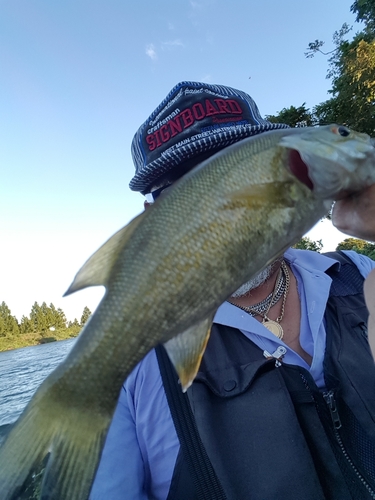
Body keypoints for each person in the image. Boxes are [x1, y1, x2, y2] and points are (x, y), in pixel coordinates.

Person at [90, 81, 375, 499]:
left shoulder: (359, 275)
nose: (235, 206)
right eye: (191, 189)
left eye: (248, 176)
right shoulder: (122, 368)